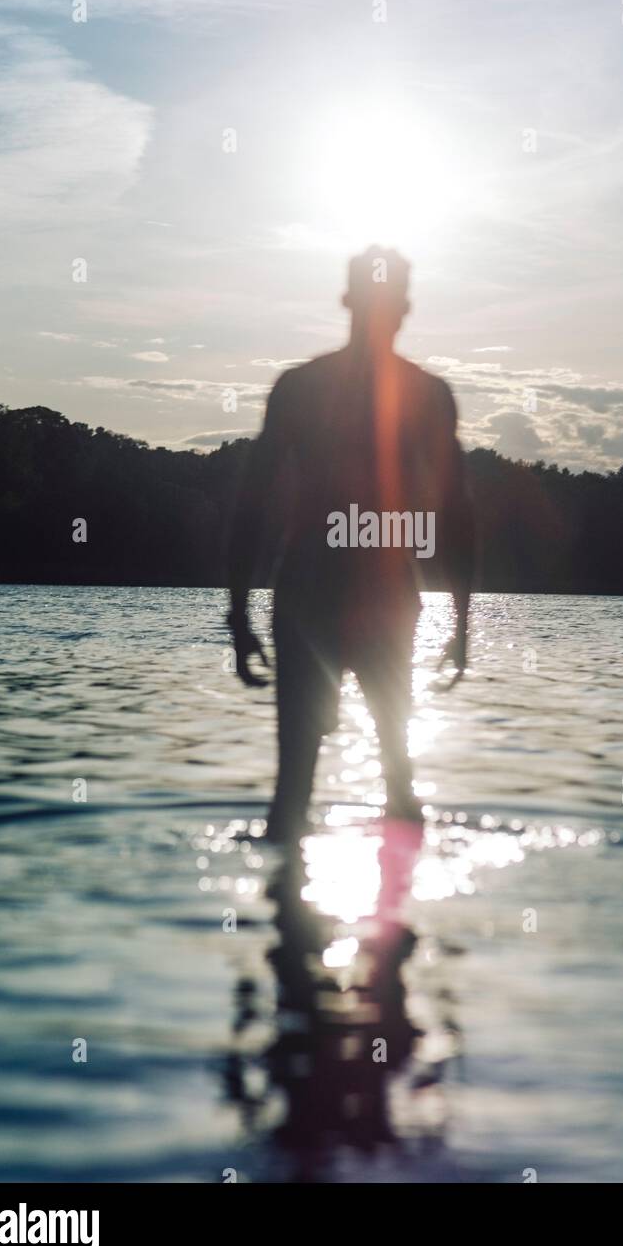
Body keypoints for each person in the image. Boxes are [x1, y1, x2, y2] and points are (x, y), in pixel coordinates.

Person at [227, 247, 474, 879]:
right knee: (397, 778)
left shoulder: (303, 387)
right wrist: (462, 625)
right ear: (404, 308)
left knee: (296, 792)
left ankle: (290, 945)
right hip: (376, 595)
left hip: (323, 590)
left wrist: (238, 612)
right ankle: (391, 941)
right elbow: (454, 515)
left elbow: (253, 504)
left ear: (347, 302)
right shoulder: (424, 394)